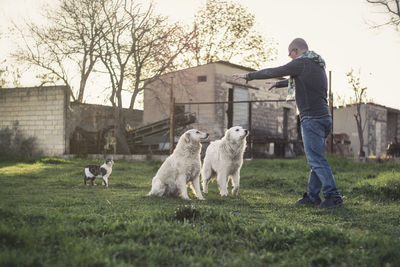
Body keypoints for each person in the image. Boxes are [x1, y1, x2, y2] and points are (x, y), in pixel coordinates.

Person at [233, 38, 343, 209]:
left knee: (316, 161)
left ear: (296, 50)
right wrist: (278, 84)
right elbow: (297, 80)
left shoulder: (302, 62)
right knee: (316, 160)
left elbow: (275, 70)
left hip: (312, 119)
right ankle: (313, 197)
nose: (289, 56)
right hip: (323, 118)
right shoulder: (317, 64)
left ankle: (333, 196)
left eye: (290, 53)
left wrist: (249, 76)